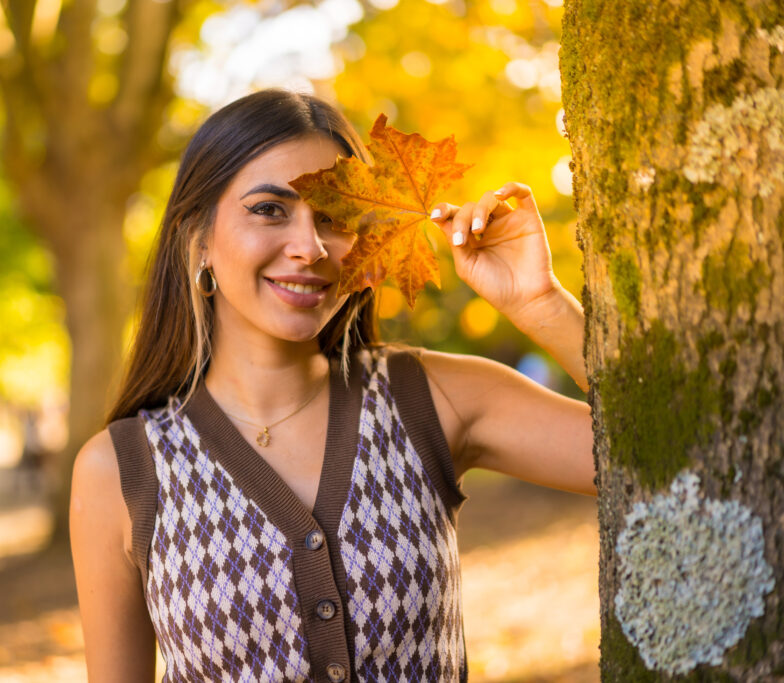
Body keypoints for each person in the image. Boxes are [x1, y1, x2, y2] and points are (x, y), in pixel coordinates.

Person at [69, 89, 595, 683]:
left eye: (334, 218)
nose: (310, 247)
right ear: (198, 240)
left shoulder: (431, 398)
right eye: (269, 209)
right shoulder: (121, 471)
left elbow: (660, 452)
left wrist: (541, 304)